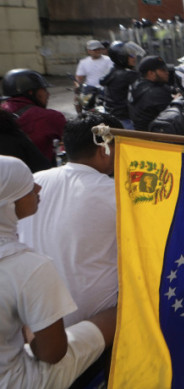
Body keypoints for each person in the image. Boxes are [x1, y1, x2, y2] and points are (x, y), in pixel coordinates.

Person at [0, 155, 117, 389]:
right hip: (18, 381)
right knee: (120, 312)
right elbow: (51, 354)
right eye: (26, 184)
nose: (37, 186)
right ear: (9, 201)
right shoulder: (28, 265)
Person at [17, 112, 122, 327]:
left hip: (36, 319)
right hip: (97, 322)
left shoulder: (34, 183)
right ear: (105, 150)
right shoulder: (116, 193)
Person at [1, 69, 66, 167]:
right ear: (31, 92)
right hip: (38, 178)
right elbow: (76, 143)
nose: (48, 94)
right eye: (43, 89)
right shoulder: (50, 117)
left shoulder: (2, 112)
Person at [99, 41, 145, 130]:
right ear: (122, 57)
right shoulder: (129, 75)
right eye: (131, 55)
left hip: (114, 116)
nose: (134, 58)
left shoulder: (113, 71)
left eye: (134, 54)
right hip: (126, 119)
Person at [128, 56, 174, 132]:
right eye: (163, 70)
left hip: (141, 133)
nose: (167, 72)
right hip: (154, 137)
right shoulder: (156, 92)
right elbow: (172, 115)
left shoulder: (138, 85)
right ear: (151, 73)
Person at [73, 40, 113, 114]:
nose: (97, 51)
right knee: (80, 102)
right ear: (89, 51)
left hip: (104, 87)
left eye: (99, 49)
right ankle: (81, 116)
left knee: (110, 106)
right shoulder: (84, 62)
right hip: (89, 88)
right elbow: (79, 78)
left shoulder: (108, 60)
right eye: (94, 50)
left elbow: (112, 74)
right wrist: (77, 88)